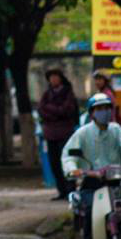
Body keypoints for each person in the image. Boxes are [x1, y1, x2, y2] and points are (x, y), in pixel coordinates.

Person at [61, 92, 121, 239]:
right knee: (92, 209)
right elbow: (68, 155)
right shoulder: (83, 133)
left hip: (115, 180)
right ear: (92, 113)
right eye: (99, 109)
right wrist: (73, 169)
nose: (104, 112)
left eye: (107, 108)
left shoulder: (116, 130)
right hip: (91, 181)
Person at [37, 67, 80, 201]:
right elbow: (41, 110)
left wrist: (52, 111)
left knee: (67, 162)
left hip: (65, 133)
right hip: (50, 134)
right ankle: (61, 190)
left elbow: (66, 110)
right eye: (51, 77)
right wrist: (55, 111)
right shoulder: (46, 94)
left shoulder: (68, 93)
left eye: (56, 77)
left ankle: (70, 190)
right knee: (54, 163)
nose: (53, 80)